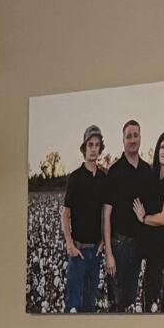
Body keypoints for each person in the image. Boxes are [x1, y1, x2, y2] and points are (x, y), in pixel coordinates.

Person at [106, 120, 163, 313]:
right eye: (128, 136)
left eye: (135, 135)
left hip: (139, 246)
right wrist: (109, 253)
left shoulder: (148, 171)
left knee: (130, 300)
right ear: (122, 140)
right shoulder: (114, 172)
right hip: (119, 245)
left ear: (140, 137)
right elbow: (106, 215)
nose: (132, 140)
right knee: (117, 302)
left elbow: (154, 210)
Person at [123, 122, 164, 312]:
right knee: (148, 304)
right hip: (152, 255)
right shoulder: (152, 177)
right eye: (162, 146)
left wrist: (144, 218)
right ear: (157, 150)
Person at [58, 125, 114, 312]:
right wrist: (70, 245)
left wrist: (103, 244)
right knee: (73, 304)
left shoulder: (104, 179)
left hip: (95, 254)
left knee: (90, 305)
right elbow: (65, 214)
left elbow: (106, 215)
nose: (93, 148)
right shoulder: (75, 178)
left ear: (100, 149)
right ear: (84, 148)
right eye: (90, 144)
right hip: (78, 252)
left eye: (97, 145)